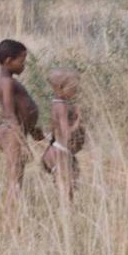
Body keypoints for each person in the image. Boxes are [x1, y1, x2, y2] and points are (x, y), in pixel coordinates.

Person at [0, 39, 44, 212]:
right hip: (11, 134)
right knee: (14, 180)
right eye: (21, 60)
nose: (24, 65)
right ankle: (11, 222)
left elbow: (20, 109)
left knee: (17, 178)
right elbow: (8, 112)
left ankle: (13, 218)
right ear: (8, 61)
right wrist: (21, 140)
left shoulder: (9, 81)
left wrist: (33, 130)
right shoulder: (7, 83)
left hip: (15, 132)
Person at [41, 68, 85, 201]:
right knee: (67, 190)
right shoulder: (62, 107)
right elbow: (67, 134)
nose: (76, 91)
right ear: (61, 88)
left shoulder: (57, 105)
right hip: (60, 152)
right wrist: (78, 119)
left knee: (67, 186)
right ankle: (66, 216)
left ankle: (66, 214)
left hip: (58, 150)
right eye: (73, 88)